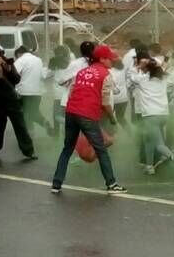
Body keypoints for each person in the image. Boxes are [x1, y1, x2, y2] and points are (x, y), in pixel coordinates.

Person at [50, 45, 127, 194]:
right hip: (87, 114)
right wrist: (112, 119)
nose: (112, 61)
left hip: (71, 111)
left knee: (67, 149)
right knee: (101, 149)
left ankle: (56, 184)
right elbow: (105, 103)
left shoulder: (82, 72)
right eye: (109, 59)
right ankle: (112, 184)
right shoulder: (105, 74)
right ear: (102, 59)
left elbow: (72, 91)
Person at [129, 55, 174, 175]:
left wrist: (138, 66)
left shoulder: (142, 79)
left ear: (147, 69)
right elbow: (167, 75)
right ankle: (149, 166)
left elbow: (131, 77)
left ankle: (173, 157)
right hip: (163, 114)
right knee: (149, 140)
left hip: (150, 116)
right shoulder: (163, 78)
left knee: (158, 144)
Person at [0, 46, 36, 161]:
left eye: (0, 53)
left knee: (20, 125)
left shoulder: (6, 62)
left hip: (12, 99)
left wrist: (9, 67)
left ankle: (29, 150)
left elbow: (17, 79)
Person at [14, 45, 51, 137]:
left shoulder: (21, 60)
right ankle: (44, 122)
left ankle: (29, 134)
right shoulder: (38, 60)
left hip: (24, 92)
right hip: (37, 92)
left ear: (19, 54)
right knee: (33, 112)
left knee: (25, 114)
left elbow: (13, 73)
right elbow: (43, 75)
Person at [47, 46, 72, 137]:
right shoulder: (70, 64)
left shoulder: (54, 64)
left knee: (56, 116)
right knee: (66, 115)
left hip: (58, 95)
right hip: (68, 95)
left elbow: (45, 75)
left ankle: (57, 134)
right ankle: (67, 133)